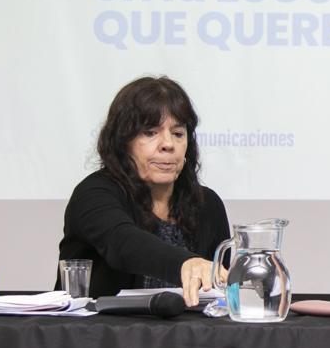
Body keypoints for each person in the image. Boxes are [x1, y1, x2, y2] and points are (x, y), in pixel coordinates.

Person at [57, 76, 229, 306]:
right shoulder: (93, 194)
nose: (168, 144)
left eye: (178, 133)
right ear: (122, 142)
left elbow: (221, 294)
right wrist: (186, 264)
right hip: (100, 329)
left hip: (188, 328)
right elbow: (123, 243)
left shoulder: (207, 204)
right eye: (150, 133)